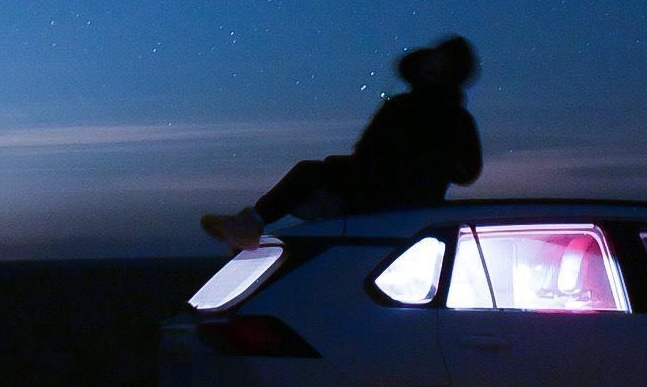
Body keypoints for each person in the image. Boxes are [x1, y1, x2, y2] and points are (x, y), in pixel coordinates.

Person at [199, 35, 481, 243]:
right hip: (401, 197)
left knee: (308, 173)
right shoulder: (443, 115)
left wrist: (430, 160)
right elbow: (466, 172)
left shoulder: (424, 113)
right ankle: (251, 225)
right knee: (310, 176)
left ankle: (250, 225)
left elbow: (371, 155)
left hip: (386, 198)